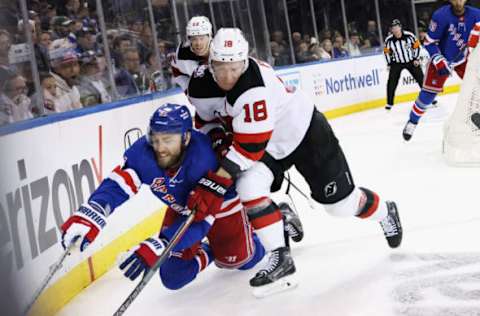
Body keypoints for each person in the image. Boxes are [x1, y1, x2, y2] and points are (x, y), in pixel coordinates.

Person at [186, 28, 402, 295]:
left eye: (235, 68)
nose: (229, 76)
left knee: (340, 207)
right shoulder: (198, 85)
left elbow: (247, 150)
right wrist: (216, 136)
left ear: (245, 62)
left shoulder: (253, 89)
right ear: (210, 64)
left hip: (304, 132)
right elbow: (205, 120)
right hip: (268, 144)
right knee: (249, 187)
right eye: (221, 68)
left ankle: (385, 212)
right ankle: (281, 258)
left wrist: (214, 183)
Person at [60, 103, 265, 291]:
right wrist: (95, 209)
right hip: (182, 208)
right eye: (156, 139)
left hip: (219, 205)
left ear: (186, 137)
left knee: (239, 261)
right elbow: (119, 183)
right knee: (173, 277)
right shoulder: (143, 152)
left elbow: (201, 219)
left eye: (167, 140)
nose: (159, 148)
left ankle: (272, 221)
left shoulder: (203, 160)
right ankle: (212, 251)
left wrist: (163, 243)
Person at [402, 0, 480, 141]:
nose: (458, 1)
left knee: (477, 85)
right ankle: (412, 121)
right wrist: (438, 60)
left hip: (463, 59)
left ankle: (476, 114)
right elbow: (429, 42)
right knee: (428, 95)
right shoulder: (441, 15)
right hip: (441, 58)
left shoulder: (476, 15)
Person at [383, 19, 423, 110]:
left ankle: (430, 99)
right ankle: (389, 103)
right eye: (393, 28)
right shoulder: (389, 40)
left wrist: (416, 58)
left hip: (411, 61)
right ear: (391, 30)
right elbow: (386, 52)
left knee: (422, 79)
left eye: (397, 27)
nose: (396, 29)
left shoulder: (409, 35)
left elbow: (417, 46)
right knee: (391, 83)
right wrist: (389, 63)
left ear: (400, 27)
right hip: (396, 63)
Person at [170, 16, 212, 91]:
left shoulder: (221, 49)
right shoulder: (183, 54)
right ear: (189, 39)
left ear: (209, 36)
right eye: (194, 39)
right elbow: (175, 70)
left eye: (202, 38)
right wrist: (188, 90)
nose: (198, 43)